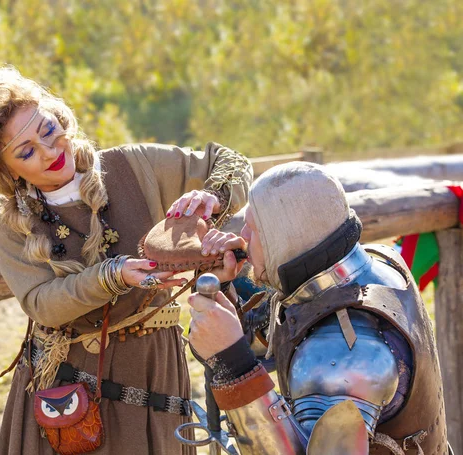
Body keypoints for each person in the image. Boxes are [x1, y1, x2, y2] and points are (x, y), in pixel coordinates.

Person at [0, 67, 253, 455]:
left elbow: (231, 162)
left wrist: (212, 198)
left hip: (152, 366)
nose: (48, 151)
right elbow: (42, 304)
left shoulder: (135, 165)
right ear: (6, 170)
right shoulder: (11, 221)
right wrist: (114, 276)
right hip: (67, 386)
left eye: (47, 131)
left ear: (57, 117)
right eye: (26, 151)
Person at [187, 162, 451, 454]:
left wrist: (231, 363)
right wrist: (225, 290)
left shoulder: (339, 359)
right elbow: (265, 340)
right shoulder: (378, 265)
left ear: (285, 236)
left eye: (254, 228)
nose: (243, 237)